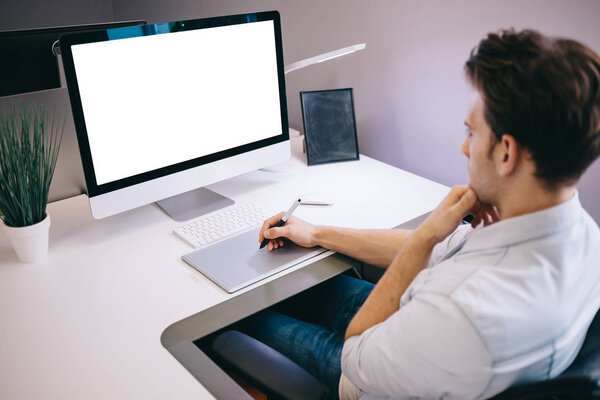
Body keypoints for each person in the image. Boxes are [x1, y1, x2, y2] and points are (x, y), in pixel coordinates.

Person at [237, 29, 600, 399]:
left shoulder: (467, 310)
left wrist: (428, 234)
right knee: (300, 290)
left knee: (240, 321)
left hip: (366, 377)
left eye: (471, 132)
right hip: (426, 339)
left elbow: (355, 355)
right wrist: (316, 233)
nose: (463, 147)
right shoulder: (578, 235)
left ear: (506, 153)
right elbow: (442, 255)